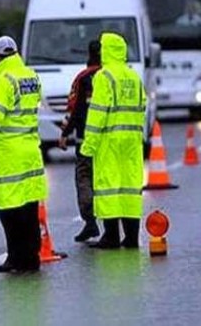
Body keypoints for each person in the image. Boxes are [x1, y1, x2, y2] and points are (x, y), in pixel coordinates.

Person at [0, 36, 48, 273]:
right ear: (15, 52)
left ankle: (15, 258)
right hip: (31, 150)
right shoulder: (31, 76)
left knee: (10, 210)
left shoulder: (2, 80)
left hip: (11, 154)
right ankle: (32, 257)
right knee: (29, 207)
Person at [80, 32, 146, 249]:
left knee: (109, 186)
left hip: (109, 140)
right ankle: (132, 236)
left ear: (106, 51)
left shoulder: (104, 77)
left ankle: (111, 236)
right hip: (132, 140)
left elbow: (97, 113)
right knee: (129, 186)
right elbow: (142, 106)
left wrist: (88, 144)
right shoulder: (133, 76)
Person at [59, 40, 101, 242]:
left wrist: (65, 133)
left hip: (85, 139)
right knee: (107, 180)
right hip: (109, 140)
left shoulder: (83, 78)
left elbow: (74, 110)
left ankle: (90, 222)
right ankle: (114, 225)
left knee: (84, 178)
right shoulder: (112, 77)